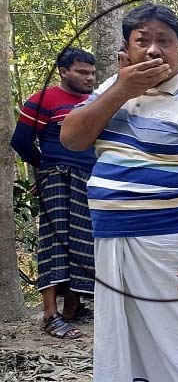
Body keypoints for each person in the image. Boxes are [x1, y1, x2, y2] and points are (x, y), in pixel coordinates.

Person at [61, 3, 178, 381]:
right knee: (125, 344)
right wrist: (122, 88)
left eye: (165, 42)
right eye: (143, 41)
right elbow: (72, 138)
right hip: (112, 241)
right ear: (126, 49)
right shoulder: (112, 90)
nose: (154, 50)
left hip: (172, 245)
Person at [12, 48, 97, 340]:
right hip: (58, 178)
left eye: (92, 73)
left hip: (91, 181)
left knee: (84, 244)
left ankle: (73, 309)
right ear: (63, 71)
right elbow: (21, 141)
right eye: (82, 72)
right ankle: (50, 314)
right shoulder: (42, 100)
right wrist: (46, 169)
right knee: (55, 241)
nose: (89, 78)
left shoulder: (95, 101)